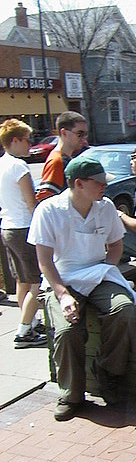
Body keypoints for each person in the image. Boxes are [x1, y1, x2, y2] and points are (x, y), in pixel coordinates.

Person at [28, 156, 136, 421]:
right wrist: (63, 294)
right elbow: (44, 262)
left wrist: (104, 271)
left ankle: (108, 372)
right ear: (78, 184)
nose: (104, 187)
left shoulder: (106, 207)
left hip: (97, 273)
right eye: (98, 183)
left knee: (123, 309)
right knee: (66, 332)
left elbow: (116, 246)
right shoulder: (49, 211)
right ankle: (71, 393)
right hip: (62, 277)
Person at [0, 119, 46, 348]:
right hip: (24, 228)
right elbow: (31, 203)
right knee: (37, 282)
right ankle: (24, 332)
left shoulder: (2, 164)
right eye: (28, 140)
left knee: (22, 281)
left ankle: (31, 321)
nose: (31, 144)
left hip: (8, 227)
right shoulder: (19, 167)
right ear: (15, 140)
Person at [35, 111, 88, 201]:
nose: (84, 138)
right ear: (64, 133)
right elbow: (45, 198)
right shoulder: (57, 161)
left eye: (85, 134)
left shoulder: (67, 158)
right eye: (80, 134)